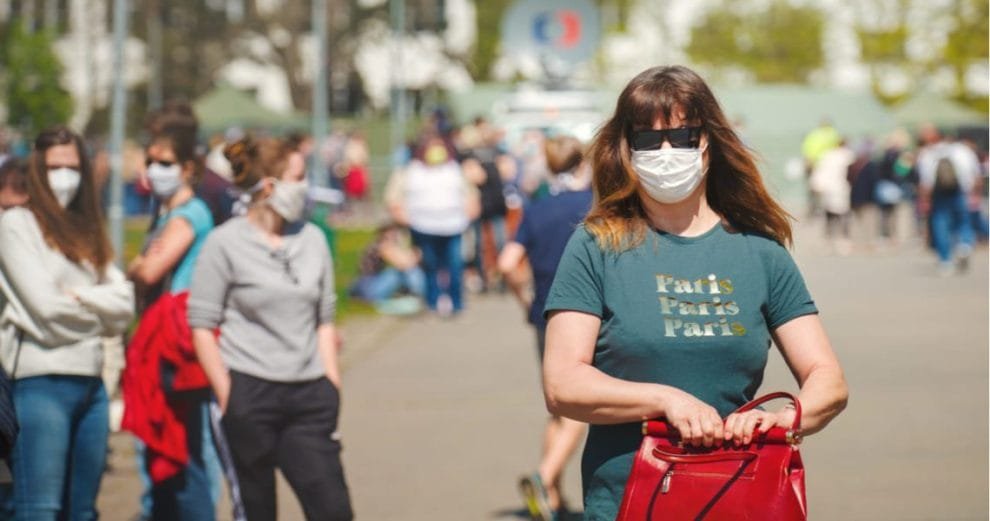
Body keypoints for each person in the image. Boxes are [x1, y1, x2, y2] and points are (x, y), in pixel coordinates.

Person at [540, 66, 849, 521]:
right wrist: (666, 400)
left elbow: (828, 379)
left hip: (738, 496)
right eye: (648, 139)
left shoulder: (760, 251)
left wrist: (785, 418)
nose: (666, 152)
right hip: (629, 503)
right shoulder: (595, 247)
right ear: (626, 149)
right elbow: (563, 383)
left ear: (709, 141)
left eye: (683, 136)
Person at [188, 136, 353, 521]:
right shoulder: (224, 243)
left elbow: (325, 318)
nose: (305, 187)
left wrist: (331, 383)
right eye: (297, 177)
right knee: (257, 509)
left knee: (333, 510)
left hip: (309, 395)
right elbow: (202, 325)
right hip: (250, 392)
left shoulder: (312, 239)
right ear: (268, 187)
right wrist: (228, 395)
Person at [0, 125, 135, 519]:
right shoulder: (17, 225)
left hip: (91, 383)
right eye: (55, 167)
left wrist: (78, 298)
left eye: (73, 167)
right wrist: (99, 312)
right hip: (39, 381)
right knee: (40, 509)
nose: (64, 177)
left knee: (83, 511)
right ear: (38, 170)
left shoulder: (87, 230)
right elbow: (46, 309)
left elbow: (125, 304)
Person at [122, 121, 220, 520]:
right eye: (150, 161)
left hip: (177, 345)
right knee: (169, 452)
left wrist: (135, 265)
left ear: (187, 168)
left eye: (165, 162)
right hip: (165, 339)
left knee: (184, 454)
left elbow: (149, 270)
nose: (154, 170)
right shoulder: (166, 214)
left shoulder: (187, 214)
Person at [497, 135, 593, 521]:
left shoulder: (536, 209)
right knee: (580, 408)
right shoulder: (595, 205)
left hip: (545, 314)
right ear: (582, 163)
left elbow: (507, 263)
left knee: (559, 406)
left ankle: (552, 497)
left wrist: (524, 299)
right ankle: (544, 477)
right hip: (589, 316)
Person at [384, 133, 479, 316]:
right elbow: (394, 199)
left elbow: (471, 196)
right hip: (424, 227)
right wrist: (404, 217)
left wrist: (469, 213)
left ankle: (456, 302)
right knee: (430, 265)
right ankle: (432, 301)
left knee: (454, 264)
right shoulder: (410, 171)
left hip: (452, 226)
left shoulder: (454, 170)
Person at [914, 124, 981, 275]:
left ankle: (945, 260)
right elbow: (976, 174)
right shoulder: (962, 150)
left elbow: (925, 182)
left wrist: (925, 200)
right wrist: (974, 192)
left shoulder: (928, 154)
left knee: (941, 224)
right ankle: (964, 245)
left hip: (939, 194)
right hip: (961, 191)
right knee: (963, 221)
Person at [349, 223, 425, 314]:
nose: (395, 236)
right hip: (369, 289)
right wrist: (416, 255)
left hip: (367, 286)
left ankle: (417, 296)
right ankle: (419, 296)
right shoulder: (383, 246)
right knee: (400, 272)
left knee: (405, 271)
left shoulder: (380, 245)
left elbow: (405, 259)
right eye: (392, 233)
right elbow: (404, 264)